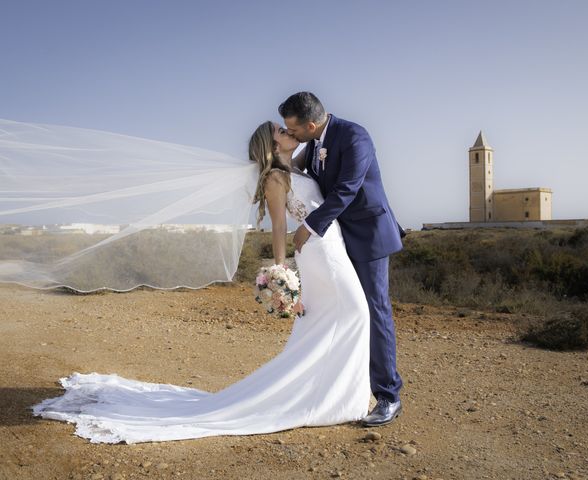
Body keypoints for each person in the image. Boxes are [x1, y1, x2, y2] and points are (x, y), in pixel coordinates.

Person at [32, 120, 373, 443]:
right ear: (271, 145)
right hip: (318, 255)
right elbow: (279, 227)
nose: (288, 131)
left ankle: (336, 397)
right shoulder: (274, 179)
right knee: (356, 313)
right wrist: (281, 273)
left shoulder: (299, 165)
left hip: (333, 247)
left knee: (326, 325)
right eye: (281, 130)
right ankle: (336, 399)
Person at [279, 92, 404, 427]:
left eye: (293, 130)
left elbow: (347, 188)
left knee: (374, 311)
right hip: (337, 239)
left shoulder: (354, 136)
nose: (292, 135)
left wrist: (309, 227)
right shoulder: (312, 144)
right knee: (345, 311)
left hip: (368, 235)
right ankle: (346, 389)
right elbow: (295, 173)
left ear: (310, 124)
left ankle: (389, 396)